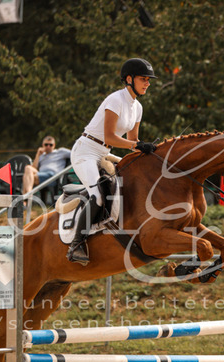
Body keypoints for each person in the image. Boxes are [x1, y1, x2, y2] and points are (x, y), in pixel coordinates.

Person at [67, 58, 158, 265]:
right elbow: (110, 137)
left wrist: (146, 149)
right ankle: (76, 244)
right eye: (143, 79)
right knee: (98, 196)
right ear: (129, 79)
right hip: (85, 152)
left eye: (148, 80)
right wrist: (136, 145)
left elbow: (133, 140)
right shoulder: (115, 100)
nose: (147, 83)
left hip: (103, 153)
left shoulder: (138, 107)